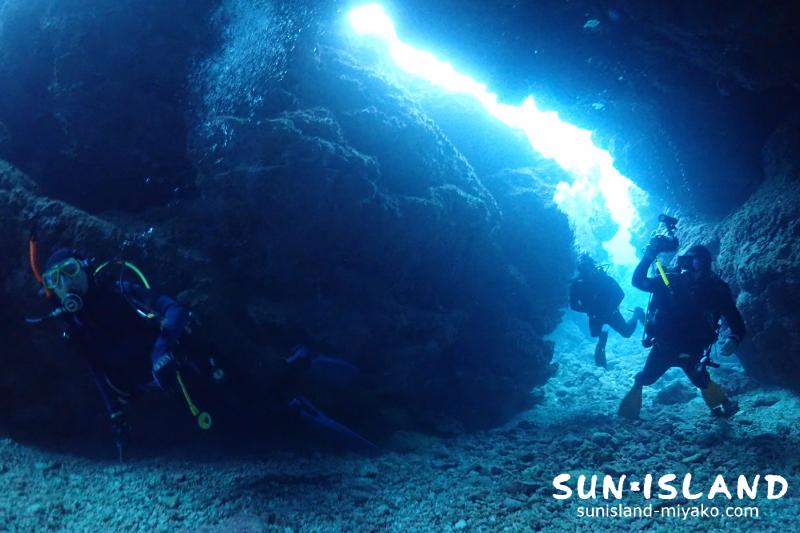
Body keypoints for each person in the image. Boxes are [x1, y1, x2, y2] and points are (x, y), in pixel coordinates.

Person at [37, 248, 206, 457]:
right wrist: (115, 413)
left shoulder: (121, 292)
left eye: (70, 269)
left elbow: (174, 309)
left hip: (177, 370)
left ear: (86, 267)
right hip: (139, 391)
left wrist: (160, 351)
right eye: (53, 279)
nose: (64, 283)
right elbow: (96, 369)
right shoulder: (74, 327)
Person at [618, 242, 746, 419]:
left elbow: (735, 319)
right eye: (684, 261)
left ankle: (723, 405)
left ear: (706, 264)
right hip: (664, 345)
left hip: (692, 349)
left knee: (701, 380)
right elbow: (638, 281)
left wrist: (735, 337)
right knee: (646, 378)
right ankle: (631, 407)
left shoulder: (717, 289)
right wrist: (648, 258)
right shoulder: (669, 280)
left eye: (694, 262)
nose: (686, 266)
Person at [569, 254, 644, 367]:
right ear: (580, 270)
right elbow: (573, 305)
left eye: (589, 268)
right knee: (595, 335)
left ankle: (637, 313)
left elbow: (621, 294)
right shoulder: (577, 284)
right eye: (583, 269)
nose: (587, 272)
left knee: (627, 333)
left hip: (611, 312)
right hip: (594, 315)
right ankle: (604, 334)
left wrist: (610, 308)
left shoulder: (605, 279)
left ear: (593, 267)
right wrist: (590, 310)